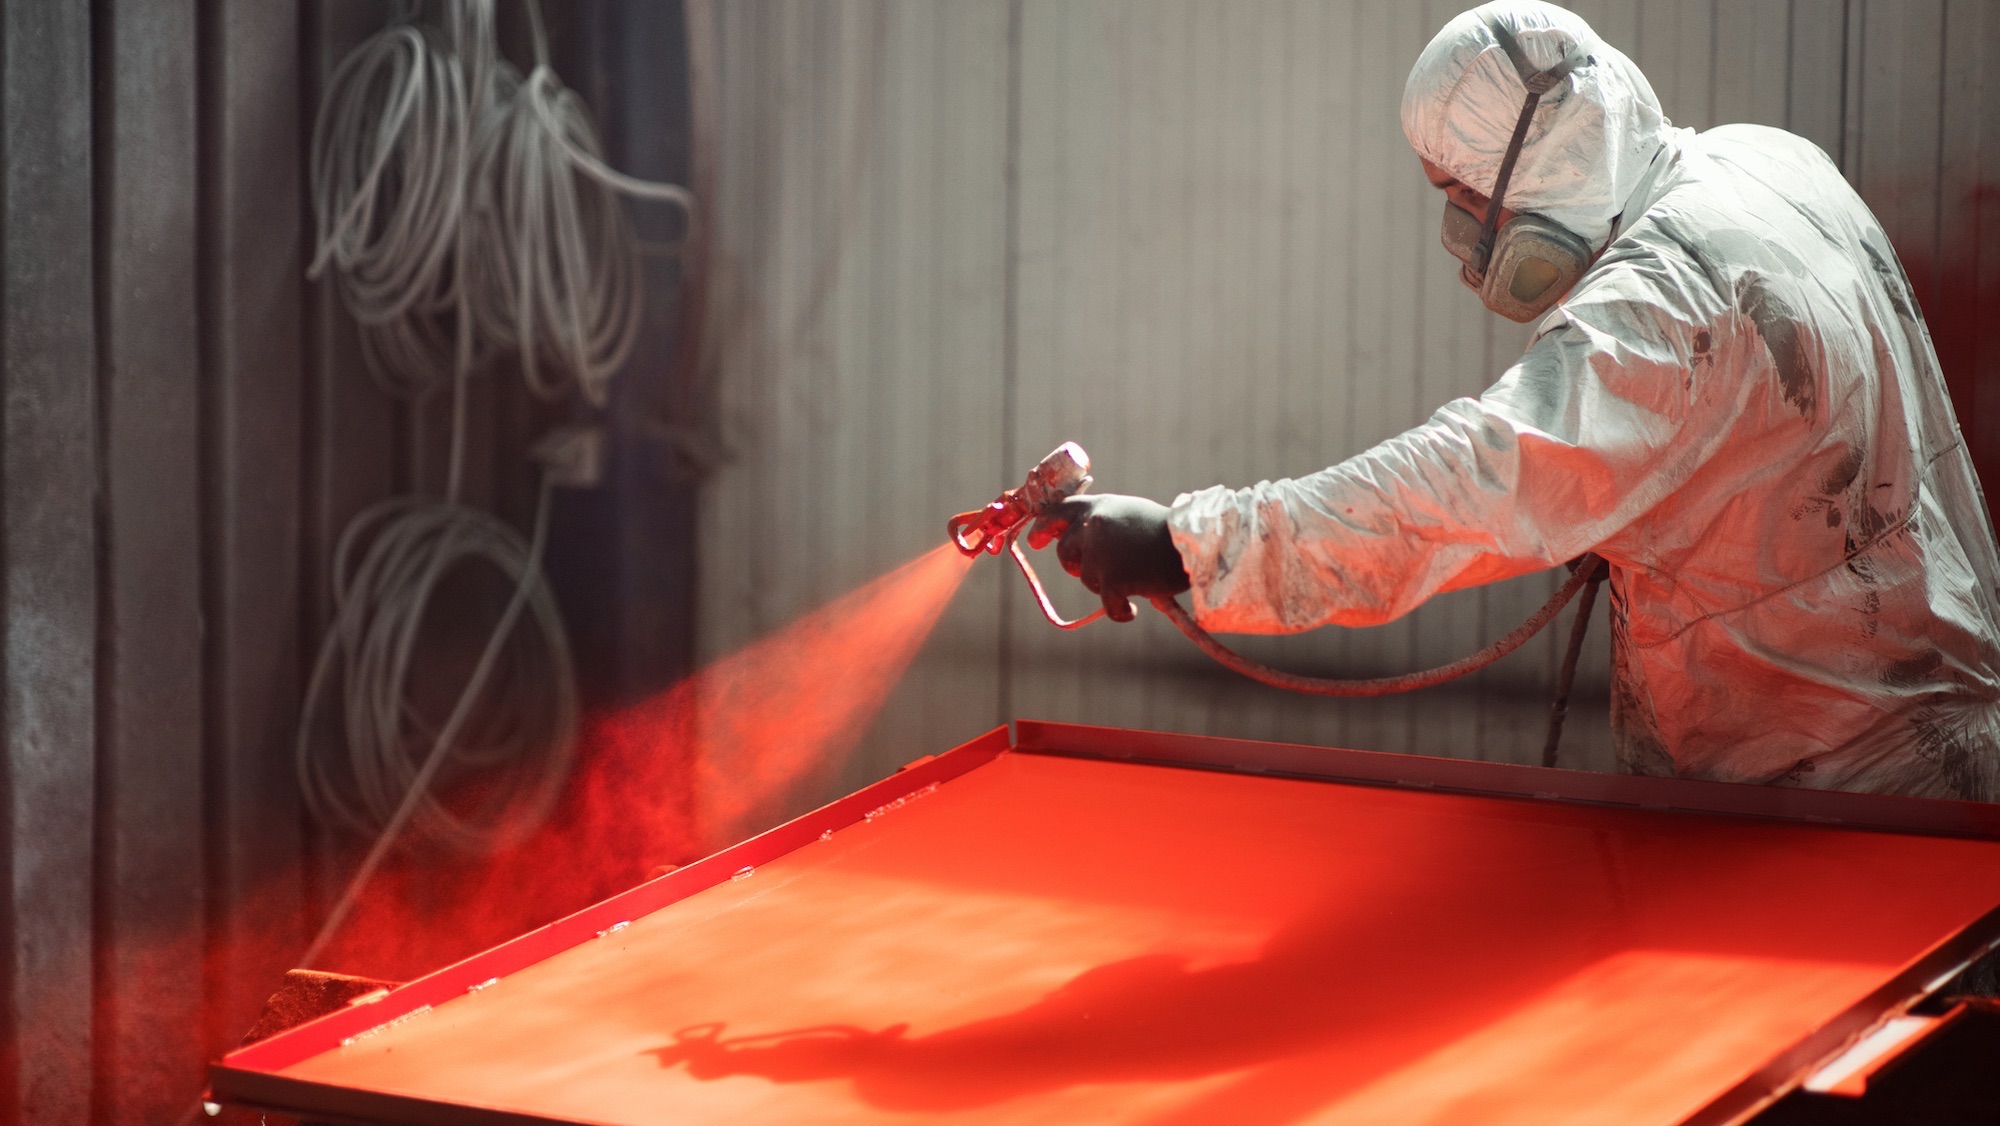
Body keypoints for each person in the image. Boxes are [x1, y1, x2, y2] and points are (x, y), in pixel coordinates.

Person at [1036, 0, 2000, 802]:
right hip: (1943, 726)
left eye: (1462, 188)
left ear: (1540, 160)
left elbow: (1471, 484)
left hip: (1840, 801)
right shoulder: (1763, 162)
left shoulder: (1660, 309)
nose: (1463, 227)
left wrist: (1184, 544)